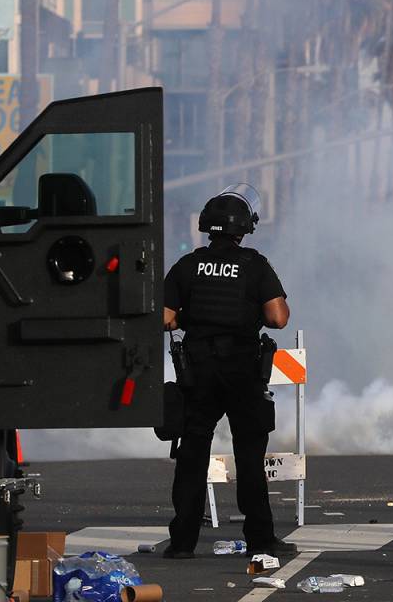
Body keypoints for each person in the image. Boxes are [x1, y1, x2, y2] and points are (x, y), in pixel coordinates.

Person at [162, 185, 294, 560]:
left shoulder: (188, 266)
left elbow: (166, 318)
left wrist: (194, 317)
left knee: (192, 456)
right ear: (243, 228)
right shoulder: (254, 265)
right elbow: (277, 318)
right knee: (250, 456)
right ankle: (260, 539)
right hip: (241, 370)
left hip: (198, 371)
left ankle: (183, 542)